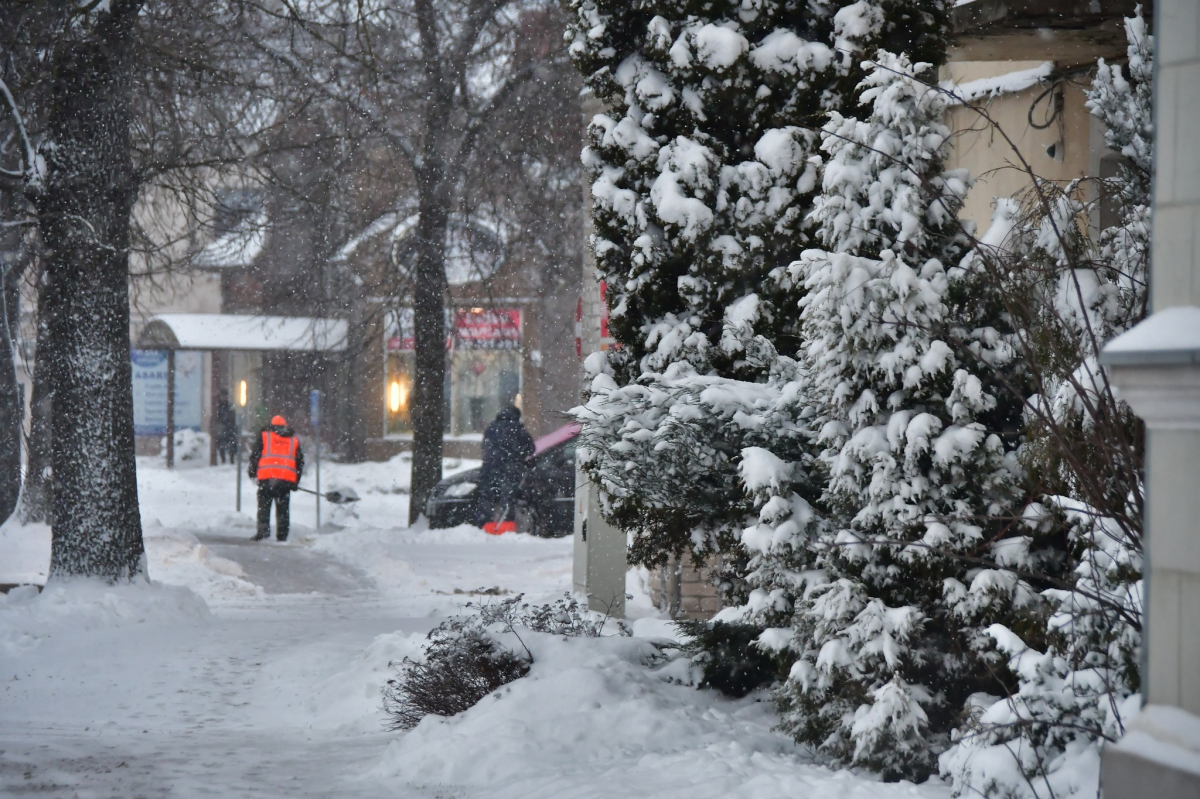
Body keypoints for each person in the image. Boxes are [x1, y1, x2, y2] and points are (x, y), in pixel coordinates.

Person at [475, 400, 534, 528]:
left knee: (486, 498)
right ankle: (506, 525)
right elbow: (530, 448)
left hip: (489, 468)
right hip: (509, 468)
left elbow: (485, 446)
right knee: (508, 499)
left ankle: (483, 525)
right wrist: (519, 456)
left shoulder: (491, 427)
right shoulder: (517, 427)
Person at [248, 415, 304, 542]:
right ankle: (282, 535)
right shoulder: (293, 440)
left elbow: (256, 455)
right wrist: (296, 481)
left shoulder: (265, 436)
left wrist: (252, 471)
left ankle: (263, 531)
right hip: (285, 480)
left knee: (264, 506)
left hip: (267, 477)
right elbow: (299, 462)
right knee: (283, 509)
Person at [215, 389, 238, 464]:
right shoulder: (218, 406)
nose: (224, 398)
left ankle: (231, 459)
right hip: (222, 427)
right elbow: (217, 417)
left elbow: (233, 417)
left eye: (225, 396)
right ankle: (223, 459)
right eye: (223, 396)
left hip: (229, 427)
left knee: (232, 444)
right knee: (221, 443)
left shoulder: (230, 406)